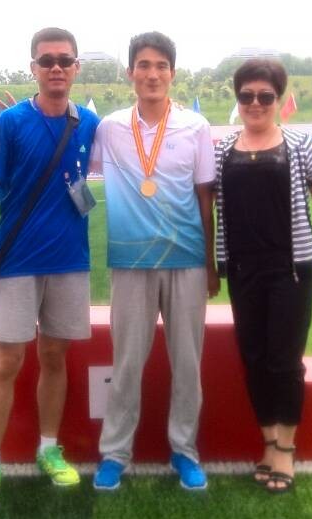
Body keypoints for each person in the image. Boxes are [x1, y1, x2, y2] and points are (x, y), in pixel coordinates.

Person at [0, 27, 100, 507]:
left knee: (55, 356)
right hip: (18, 261)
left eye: (65, 60)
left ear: (77, 67)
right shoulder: (11, 123)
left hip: (69, 261)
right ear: (33, 69)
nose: (56, 68)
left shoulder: (89, 122)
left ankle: (48, 449)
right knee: (7, 361)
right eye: (47, 61)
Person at [214, 58, 312, 494]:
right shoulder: (222, 149)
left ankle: (286, 450)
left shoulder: (299, 143)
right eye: (247, 96)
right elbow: (209, 204)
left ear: (278, 99)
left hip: (290, 270)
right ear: (238, 99)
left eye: (265, 96)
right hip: (243, 269)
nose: (255, 103)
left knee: (284, 361)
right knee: (254, 358)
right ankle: (269, 441)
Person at [91, 31, 219, 491]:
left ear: (172, 73)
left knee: (187, 362)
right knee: (126, 362)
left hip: (186, 259)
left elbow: (205, 197)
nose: (152, 74)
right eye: (143, 65)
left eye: (161, 66)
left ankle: (185, 450)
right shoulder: (109, 128)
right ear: (130, 73)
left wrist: (210, 263)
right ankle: (115, 454)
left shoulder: (195, 127)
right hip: (130, 261)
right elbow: (76, 168)